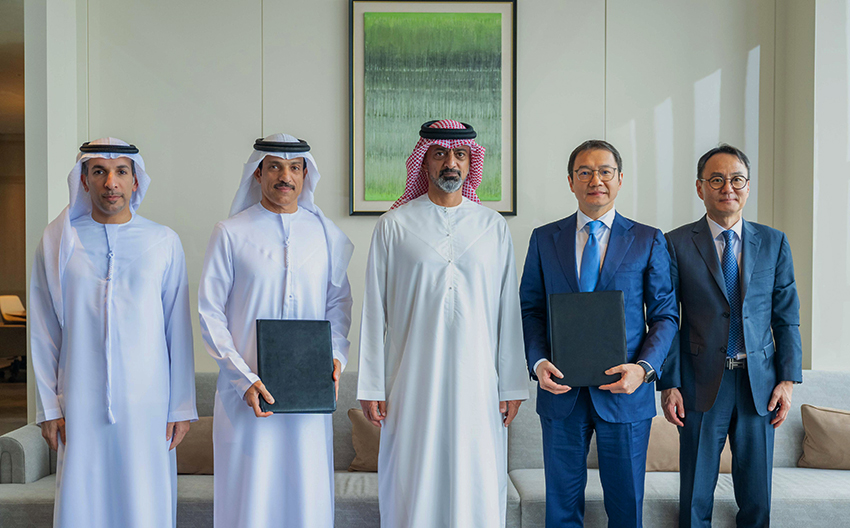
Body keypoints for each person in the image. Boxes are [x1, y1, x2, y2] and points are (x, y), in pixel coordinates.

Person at [357, 119, 529, 528]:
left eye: (460, 155)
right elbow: (374, 311)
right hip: (410, 382)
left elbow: (508, 310)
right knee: (413, 477)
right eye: (440, 154)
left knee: (477, 475)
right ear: (424, 162)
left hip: (479, 385)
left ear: (471, 163)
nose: (451, 163)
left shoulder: (493, 227)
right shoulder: (393, 225)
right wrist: (371, 386)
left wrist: (511, 386)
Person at [29, 138, 197, 528]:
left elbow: (177, 330)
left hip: (149, 404)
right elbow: (43, 329)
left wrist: (180, 408)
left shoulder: (163, 241)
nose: (111, 183)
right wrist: (49, 409)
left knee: (144, 500)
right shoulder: (58, 242)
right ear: (83, 180)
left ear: (135, 180)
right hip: (79, 400)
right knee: (82, 500)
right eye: (99, 172)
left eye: (121, 171)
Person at [519, 139, 678, 527]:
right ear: (570, 181)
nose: (596, 180)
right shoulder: (544, 239)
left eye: (605, 171)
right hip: (561, 392)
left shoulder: (648, 239)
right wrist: (537, 362)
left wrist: (643, 369)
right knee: (561, 510)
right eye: (585, 172)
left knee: (626, 510)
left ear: (620, 179)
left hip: (626, 394)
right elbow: (531, 310)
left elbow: (665, 316)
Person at [199, 133, 353, 527]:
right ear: (258, 173)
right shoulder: (230, 232)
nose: (285, 176)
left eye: (294, 168)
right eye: (275, 167)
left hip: (310, 396)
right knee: (251, 502)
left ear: (305, 175)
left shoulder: (325, 234)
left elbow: (338, 303)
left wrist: (335, 356)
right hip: (247, 397)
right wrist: (243, 378)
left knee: (306, 499)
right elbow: (210, 312)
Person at [659, 144, 803, 528]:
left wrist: (787, 381)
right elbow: (667, 319)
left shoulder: (773, 242)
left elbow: (787, 319)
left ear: (748, 186)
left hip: (760, 384)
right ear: (699, 187)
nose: (728, 188)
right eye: (717, 180)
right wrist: (669, 384)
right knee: (695, 498)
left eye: (737, 179)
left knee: (757, 501)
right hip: (700, 383)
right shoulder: (675, 243)